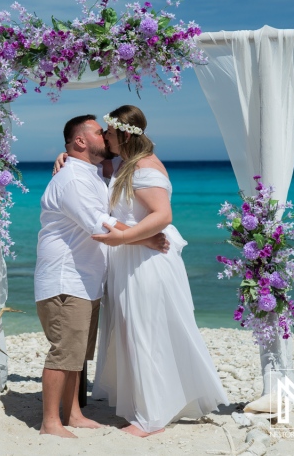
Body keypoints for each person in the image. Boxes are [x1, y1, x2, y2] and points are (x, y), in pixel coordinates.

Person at [89, 104, 228, 437]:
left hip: (146, 265)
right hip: (132, 261)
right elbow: (98, 169)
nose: (104, 136)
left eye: (108, 131)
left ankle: (150, 419)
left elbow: (162, 215)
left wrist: (124, 238)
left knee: (145, 333)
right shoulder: (124, 164)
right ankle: (154, 403)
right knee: (133, 331)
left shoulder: (145, 168)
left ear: (122, 133)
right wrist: (63, 159)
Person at [34, 115, 168, 438]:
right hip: (66, 279)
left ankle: (75, 414)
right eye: (99, 132)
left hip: (86, 279)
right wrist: (146, 238)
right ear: (80, 141)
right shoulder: (72, 180)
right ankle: (50, 422)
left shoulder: (93, 173)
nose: (106, 137)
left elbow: (113, 190)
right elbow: (100, 224)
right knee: (64, 351)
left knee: (78, 353)